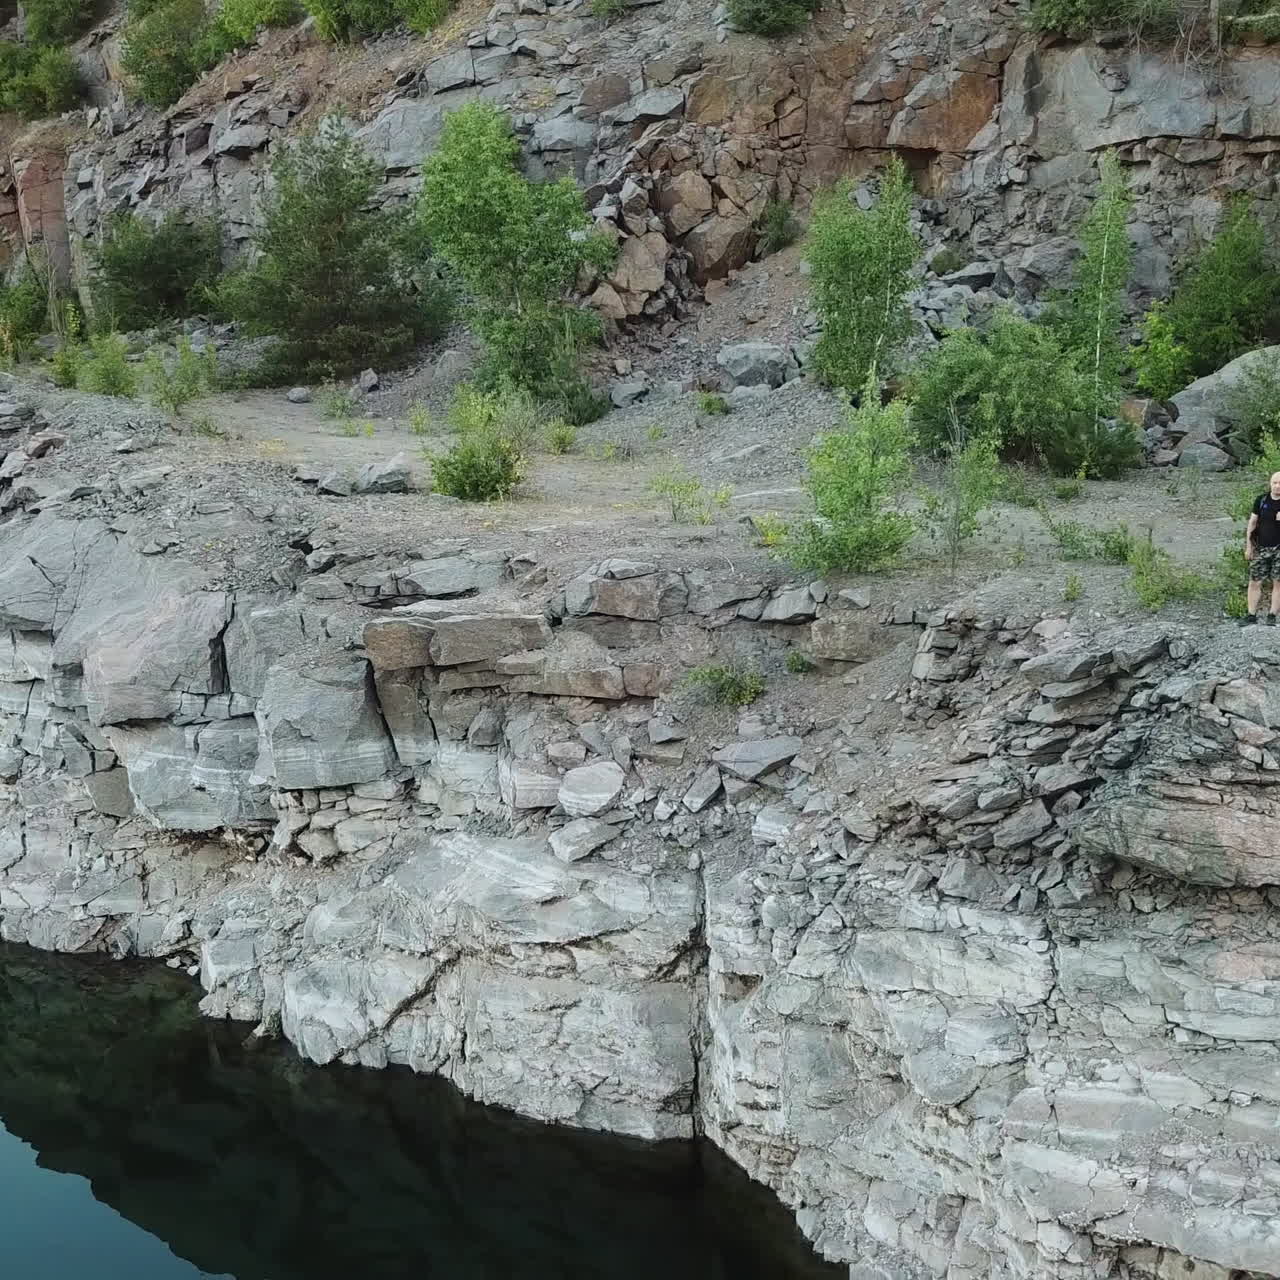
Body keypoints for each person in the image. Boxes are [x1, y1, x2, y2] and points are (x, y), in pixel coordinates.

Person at [1240, 471, 1280, 626]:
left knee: (1278, 582)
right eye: (1275, 483)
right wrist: (1249, 547)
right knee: (1254, 581)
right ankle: (1251, 614)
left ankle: (1272, 615)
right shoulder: (1261, 500)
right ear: (1270, 483)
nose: (1277, 486)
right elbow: (1252, 523)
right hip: (1261, 547)